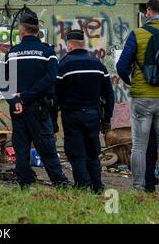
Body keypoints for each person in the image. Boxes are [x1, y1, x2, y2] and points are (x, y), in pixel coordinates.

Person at [116, 0, 159, 192]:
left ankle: (139, 188)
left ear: (147, 11)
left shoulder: (137, 34)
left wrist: (133, 82)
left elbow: (122, 66)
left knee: (139, 145)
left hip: (142, 98)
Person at [0, 8, 68, 189]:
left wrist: (16, 101)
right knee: (46, 147)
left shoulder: (11, 54)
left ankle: (25, 184)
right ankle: (59, 183)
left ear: (22, 31)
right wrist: (28, 97)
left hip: (18, 109)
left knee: (21, 149)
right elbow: (51, 78)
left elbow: (2, 82)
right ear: (38, 31)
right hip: (39, 108)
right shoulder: (47, 52)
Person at [56, 29, 115, 194]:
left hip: (72, 115)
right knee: (93, 151)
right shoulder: (98, 64)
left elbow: (55, 94)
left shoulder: (63, 65)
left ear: (69, 45)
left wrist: (53, 119)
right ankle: (97, 185)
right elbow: (109, 95)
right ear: (83, 44)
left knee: (76, 152)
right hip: (93, 115)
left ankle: (82, 185)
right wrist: (107, 119)